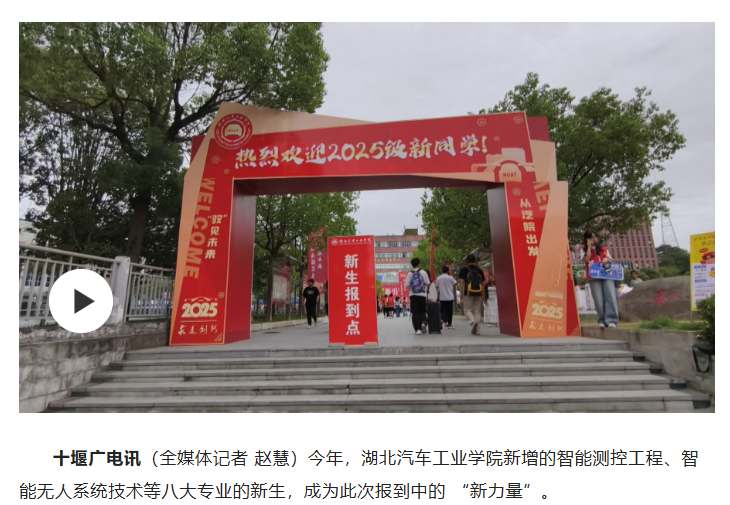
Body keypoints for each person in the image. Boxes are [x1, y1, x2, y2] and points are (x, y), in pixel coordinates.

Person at [581, 230, 619, 328]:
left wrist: (607, 259)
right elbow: (587, 259)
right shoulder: (583, 249)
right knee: (598, 299)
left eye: (595, 236)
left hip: (607, 275)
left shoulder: (603, 249)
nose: (594, 239)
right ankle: (602, 320)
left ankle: (611, 320)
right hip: (593, 276)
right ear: (587, 239)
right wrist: (589, 247)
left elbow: (611, 260)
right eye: (591, 237)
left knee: (610, 296)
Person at [458, 254, 486, 335]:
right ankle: (477, 330)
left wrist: (461, 293)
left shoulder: (464, 270)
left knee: (467, 310)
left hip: (468, 293)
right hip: (479, 293)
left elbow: (461, 282)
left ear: (467, 261)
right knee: (477, 311)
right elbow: (483, 283)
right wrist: (483, 294)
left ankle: (473, 322)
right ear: (475, 261)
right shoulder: (479, 270)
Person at [405, 258, 431, 335]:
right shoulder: (423, 272)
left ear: (412, 265)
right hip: (422, 295)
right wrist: (427, 290)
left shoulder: (410, 274)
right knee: (423, 311)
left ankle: (417, 329)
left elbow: (407, 284)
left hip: (413, 295)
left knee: (415, 312)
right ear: (419, 264)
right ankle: (423, 322)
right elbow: (428, 283)